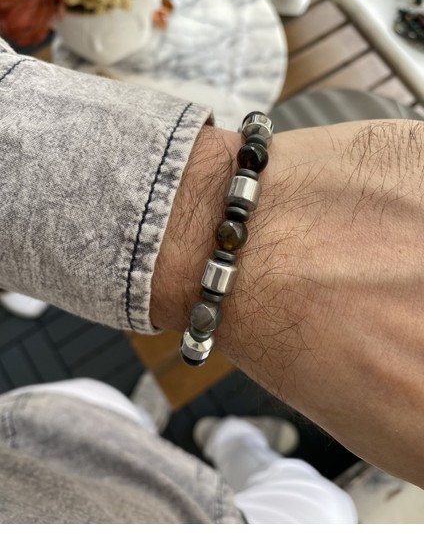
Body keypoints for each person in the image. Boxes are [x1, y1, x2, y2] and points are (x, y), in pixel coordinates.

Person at [0, 33, 423, 521]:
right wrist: (192, 204)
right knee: (325, 508)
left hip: (40, 447)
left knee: (89, 410)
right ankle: (233, 442)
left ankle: (215, 442)